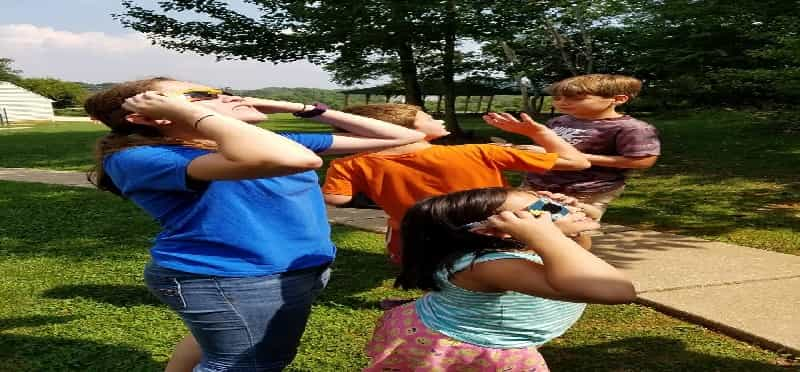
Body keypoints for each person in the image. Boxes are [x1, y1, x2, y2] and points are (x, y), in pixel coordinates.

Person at [84, 77, 425, 372]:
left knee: (221, 346)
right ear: (151, 117)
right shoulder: (137, 158)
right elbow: (299, 160)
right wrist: (196, 114)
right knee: (249, 363)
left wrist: (299, 107)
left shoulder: (257, 143)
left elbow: (403, 136)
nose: (225, 97)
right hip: (230, 277)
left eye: (221, 91)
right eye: (201, 96)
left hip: (293, 269)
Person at [364, 187, 636, 371]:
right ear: (497, 231)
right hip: (465, 343)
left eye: (557, 202)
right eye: (546, 207)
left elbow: (579, 255)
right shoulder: (490, 266)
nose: (562, 207)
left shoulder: (526, 246)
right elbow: (616, 291)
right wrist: (549, 235)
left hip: (470, 327)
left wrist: (562, 231)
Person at [322, 103, 591, 264]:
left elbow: (337, 199)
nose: (437, 120)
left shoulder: (348, 163)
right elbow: (577, 162)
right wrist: (539, 132)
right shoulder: (479, 151)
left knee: (438, 268)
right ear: (405, 130)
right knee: (575, 228)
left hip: (419, 236)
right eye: (427, 117)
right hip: (494, 230)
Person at [520, 74, 661, 248]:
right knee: (527, 227)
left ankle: (577, 267)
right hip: (536, 184)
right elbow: (547, 150)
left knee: (569, 231)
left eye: (576, 98)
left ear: (618, 99)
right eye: (557, 98)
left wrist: (577, 158)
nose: (562, 102)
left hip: (585, 191)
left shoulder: (632, 128)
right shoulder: (558, 122)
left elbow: (643, 161)